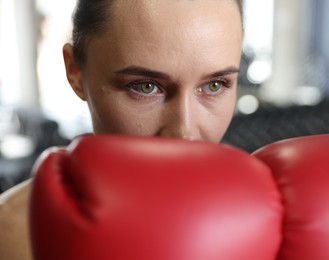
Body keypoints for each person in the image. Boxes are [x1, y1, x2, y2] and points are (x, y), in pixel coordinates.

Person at [0, 0, 243, 259]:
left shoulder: (260, 214)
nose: (184, 133)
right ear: (76, 73)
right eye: (146, 86)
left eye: (215, 85)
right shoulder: (16, 236)